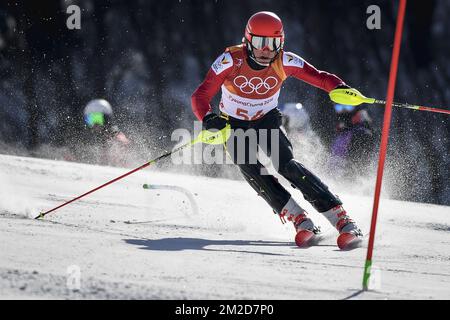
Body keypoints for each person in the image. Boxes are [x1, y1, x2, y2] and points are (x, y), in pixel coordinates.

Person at [191, 11, 363, 249]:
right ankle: (299, 218)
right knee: (250, 167)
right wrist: (208, 117)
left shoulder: (285, 61)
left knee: (286, 165)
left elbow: (321, 78)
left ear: (280, 43)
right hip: (232, 123)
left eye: (273, 44)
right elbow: (200, 95)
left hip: (266, 119)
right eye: (260, 43)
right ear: (248, 40)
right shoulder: (230, 60)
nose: (266, 50)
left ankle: (341, 218)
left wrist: (341, 88)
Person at [66, 99, 130, 166]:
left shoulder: (116, 136)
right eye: (90, 119)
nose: (95, 124)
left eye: (98, 119)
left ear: (107, 119)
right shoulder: (84, 138)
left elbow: (124, 145)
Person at [329, 103, 376, 178]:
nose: (344, 111)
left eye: (348, 106)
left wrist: (346, 176)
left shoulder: (361, 133)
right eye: (339, 107)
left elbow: (360, 162)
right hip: (334, 177)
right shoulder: (342, 132)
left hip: (349, 179)